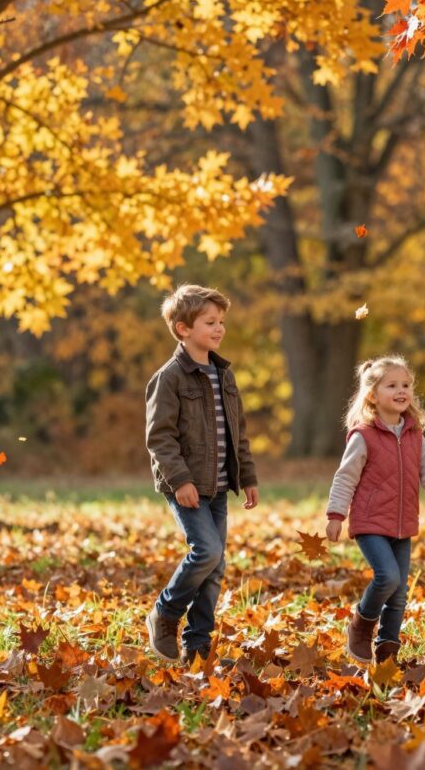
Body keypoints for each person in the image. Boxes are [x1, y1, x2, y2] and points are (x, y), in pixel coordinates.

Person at [325, 355, 425, 665]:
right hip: (370, 523)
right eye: (392, 385)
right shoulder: (363, 436)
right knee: (387, 577)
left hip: (402, 524)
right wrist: (336, 515)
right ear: (373, 395)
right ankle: (361, 625)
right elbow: (345, 477)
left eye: (406, 385)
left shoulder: (414, 435)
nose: (402, 390)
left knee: (399, 592)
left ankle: (388, 647)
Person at [144, 284, 259, 664]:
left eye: (221, 321)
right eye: (210, 322)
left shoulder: (224, 375)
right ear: (182, 329)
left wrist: (248, 478)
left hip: (220, 486)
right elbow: (160, 438)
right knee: (206, 551)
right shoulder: (170, 377)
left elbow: (237, 431)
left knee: (215, 568)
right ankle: (165, 613)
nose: (219, 328)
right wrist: (180, 481)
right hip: (187, 486)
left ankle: (198, 647)